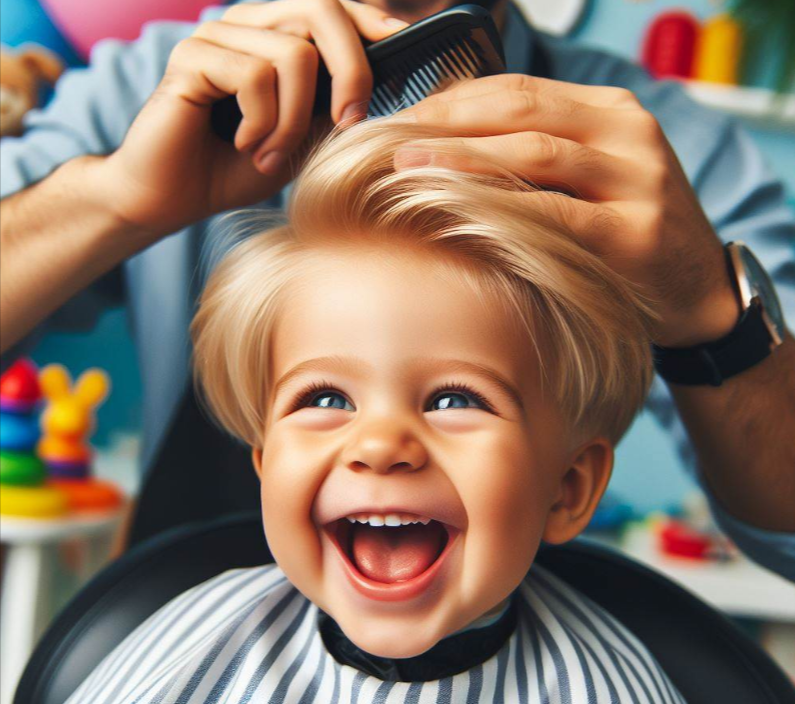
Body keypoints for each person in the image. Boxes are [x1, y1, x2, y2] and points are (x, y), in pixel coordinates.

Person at [1, 0, 793, 576]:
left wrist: (710, 317)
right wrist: (113, 199)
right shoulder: (159, 79)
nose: (379, 448)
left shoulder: (658, 148)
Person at [66, 117, 686, 704]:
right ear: (266, 465)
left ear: (567, 487)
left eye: (455, 400)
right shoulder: (189, 646)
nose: (381, 444)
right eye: (325, 398)